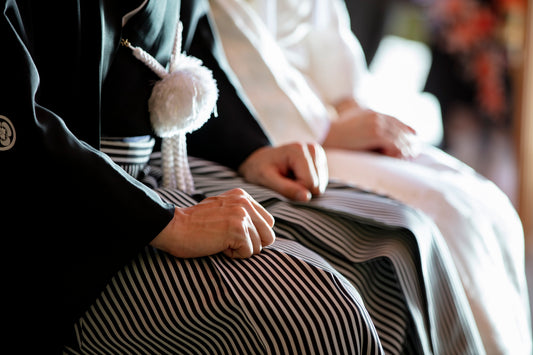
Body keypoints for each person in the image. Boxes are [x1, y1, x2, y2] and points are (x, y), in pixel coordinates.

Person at [2, 0, 484, 353]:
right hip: (71, 211)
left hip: (163, 163)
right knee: (322, 317)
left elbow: (196, 48)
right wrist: (168, 222)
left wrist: (250, 150)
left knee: (397, 243)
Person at [208, 0, 532, 353]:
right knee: (444, 215)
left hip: (330, 123)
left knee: (486, 202)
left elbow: (330, 43)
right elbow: (232, 49)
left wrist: (354, 110)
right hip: (279, 136)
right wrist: (327, 129)